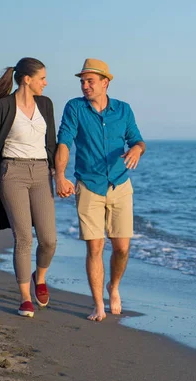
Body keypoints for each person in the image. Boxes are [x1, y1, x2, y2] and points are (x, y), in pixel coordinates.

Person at [55, 58, 145, 322]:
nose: (85, 85)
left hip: (120, 183)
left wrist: (137, 149)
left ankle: (113, 287)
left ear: (105, 83)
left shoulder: (123, 110)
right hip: (89, 185)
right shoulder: (74, 108)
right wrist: (59, 176)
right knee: (95, 248)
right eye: (82, 81)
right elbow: (64, 143)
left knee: (122, 248)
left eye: (90, 81)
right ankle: (98, 305)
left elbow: (137, 139)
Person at [0, 57, 57, 318]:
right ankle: (24, 298)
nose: (46, 82)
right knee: (24, 239)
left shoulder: (46, 103)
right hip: (12, 173)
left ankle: (39, 277)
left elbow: (51, 143)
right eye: (42, 78)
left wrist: (58, 174)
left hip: (42, 173)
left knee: (49, 240)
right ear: (27, 79)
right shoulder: (4, 105)